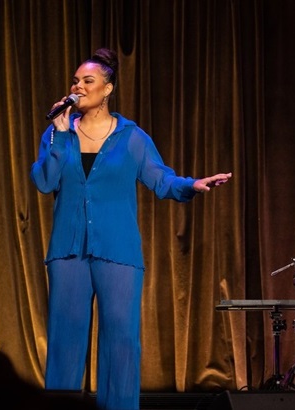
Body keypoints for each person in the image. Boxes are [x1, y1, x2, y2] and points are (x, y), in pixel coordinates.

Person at [30, 47, 232, 410]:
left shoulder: (132, 137)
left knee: (121, 342)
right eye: (75, 81)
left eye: (87, 81)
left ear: (107, 89)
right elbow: (45, 182)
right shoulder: (58, 133)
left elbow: (160, 179)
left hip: (118, 253)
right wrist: (59, 136)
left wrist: (192, 184)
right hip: (68, 253)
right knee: (64, 341)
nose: (78, 87)